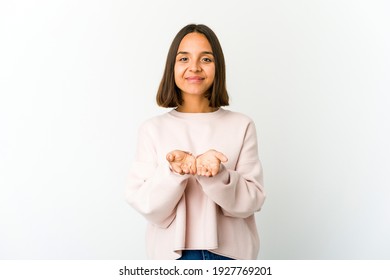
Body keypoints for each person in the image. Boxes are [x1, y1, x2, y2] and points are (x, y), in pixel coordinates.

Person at [126, 24, 266, 260]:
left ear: (218, 67)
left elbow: (252, 201)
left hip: (231, 257)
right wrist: (173, 172)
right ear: (172, 66)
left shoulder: (242, 125)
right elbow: (147, 205)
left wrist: (218, 174)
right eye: (184, 58)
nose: (194, 67)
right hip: (172, 259)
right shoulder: (152, 129)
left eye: (206, 59)